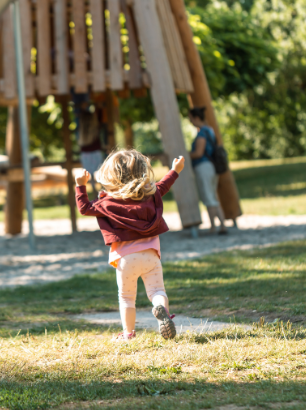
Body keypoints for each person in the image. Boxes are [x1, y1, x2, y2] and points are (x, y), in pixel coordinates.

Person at [75, 149, 184, 341]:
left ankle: (128, 334)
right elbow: (163, 186)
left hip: (126, 259)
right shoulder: (150, 195)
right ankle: (162, 311)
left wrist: (80, 185)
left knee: (126, 298)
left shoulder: (107, 203)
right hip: (151, 255)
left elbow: (84, 208)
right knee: (157, 291)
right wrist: (175, 171)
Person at [188, 107, 227, 235]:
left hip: (203, 167)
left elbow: (198, 153)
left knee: (208, 197)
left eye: (191, 118)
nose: (190, 120)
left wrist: (185, 155)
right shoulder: (210, 130)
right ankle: (222, 225)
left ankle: (213, 227)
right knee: (213, 196)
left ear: (196, 118)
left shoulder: (202, 134)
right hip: (212, 167)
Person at [77, 106, 104, 196]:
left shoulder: (82, 129)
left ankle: (95, 191)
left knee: (90, 175)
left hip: (86, 153)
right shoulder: (95, 127)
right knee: (100, 172)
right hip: (95, 152)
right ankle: (101, 190)